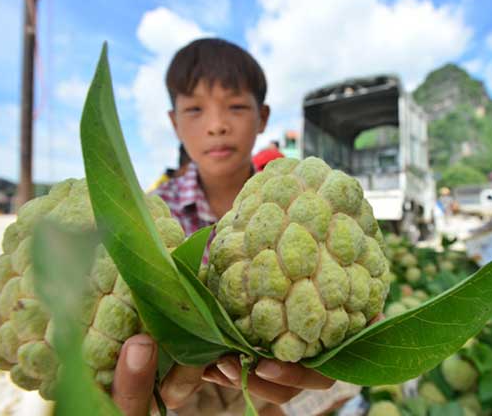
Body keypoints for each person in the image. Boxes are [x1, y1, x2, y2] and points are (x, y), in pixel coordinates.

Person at [110, 38, 360, 415]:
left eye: (236, 107)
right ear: (174, 122)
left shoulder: (309, 204)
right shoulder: (152, 213)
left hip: (274, 390)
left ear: (262, 117)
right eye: (195, 109)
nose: (217, 126)